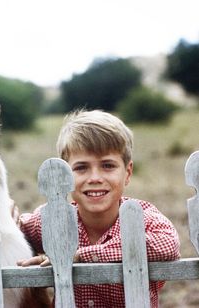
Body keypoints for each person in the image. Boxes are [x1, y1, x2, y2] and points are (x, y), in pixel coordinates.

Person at [16, 110, 180, 307]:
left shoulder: (141, 217)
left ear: (127, 173)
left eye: (108, 166)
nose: (94, 178)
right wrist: (8, 210)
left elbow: (168, 244)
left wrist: (81, 255)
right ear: (64, 176)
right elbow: (13, 229)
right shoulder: (53, 219)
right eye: (81, 168)